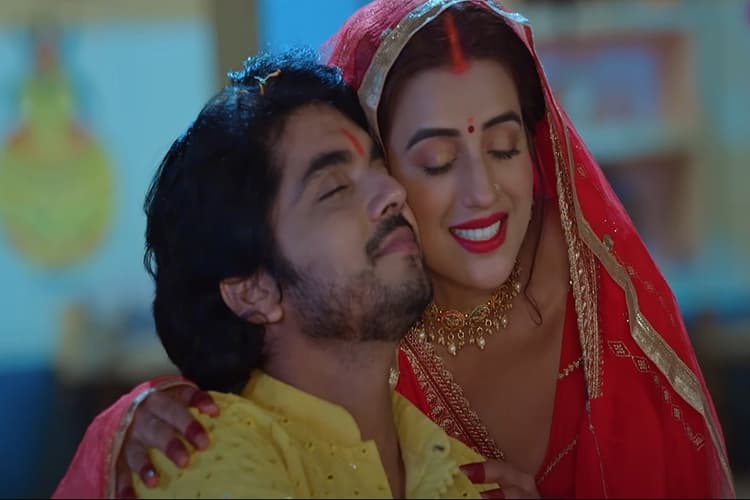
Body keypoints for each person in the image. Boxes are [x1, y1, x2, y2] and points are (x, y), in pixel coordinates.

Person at [54, 1, 734, 498]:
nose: (482, 191)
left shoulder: (604, 306)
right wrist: (124, 430)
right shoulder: (241, 432)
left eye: (505, 148)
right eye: (433, 162)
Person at [54, 49, 502, 499]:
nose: (392, 191)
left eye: (379, 167)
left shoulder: (455, 467)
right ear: (254, 291)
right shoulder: (208, 454)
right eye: (334, 188)